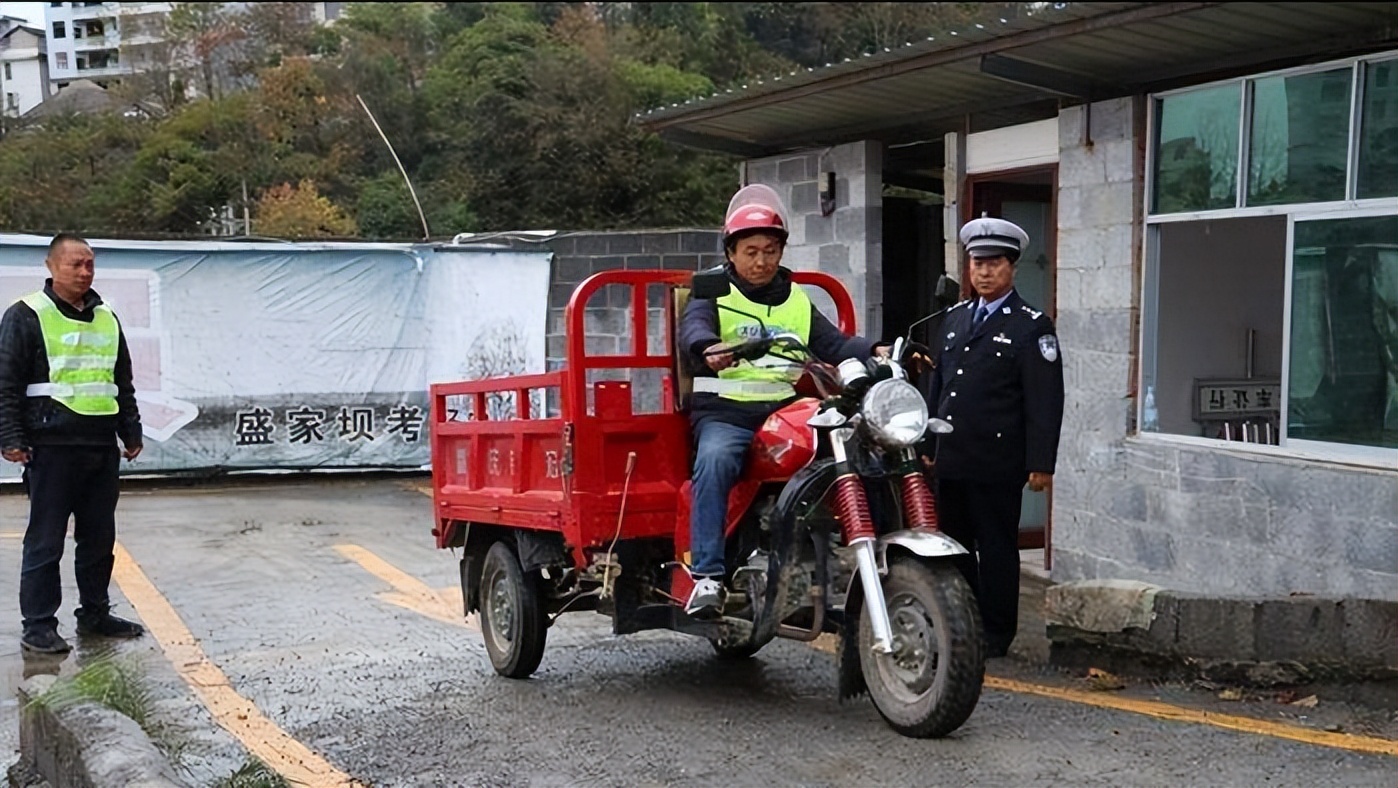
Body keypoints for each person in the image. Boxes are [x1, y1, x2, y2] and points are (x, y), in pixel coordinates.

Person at [678, 185, 886, 617]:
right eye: (751, 251)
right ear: (731, 253)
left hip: (783, 412)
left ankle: (866, 552)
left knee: (856, 439)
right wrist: (710, 348)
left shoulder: (796, 299)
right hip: (726, 414)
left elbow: (835, 342)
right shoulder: (710, 292)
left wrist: (875, 351)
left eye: (770, 250)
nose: (761, 261)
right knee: (714, 461)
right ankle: (708, 577)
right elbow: (694, 331)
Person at [924, 217, 1064, 658]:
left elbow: (1045, 400)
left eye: (994, 263)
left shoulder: (1030, 326)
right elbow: (940, 387)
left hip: (997, 460)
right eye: (976, 263)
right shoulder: (953, 319)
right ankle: (961, 621)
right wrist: (927, 445)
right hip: (951, 456)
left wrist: (1041, 462)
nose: (984, 272)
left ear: (1012, 267)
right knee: (953, 545)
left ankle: (997, 632)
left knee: (997, 547)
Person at [0, 233, 145, 654]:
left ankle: (95, 613)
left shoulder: (106, 317)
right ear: (51, 266)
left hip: (100, 444)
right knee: (46, 538)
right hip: (51, 445)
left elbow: (121, 380)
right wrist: (10, 437)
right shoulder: (26, 315)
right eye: (75, 264)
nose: (84, 272)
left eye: (90, 265)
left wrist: (130, 430)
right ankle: (39, 624)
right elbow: (7, 383)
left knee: (99, 537)